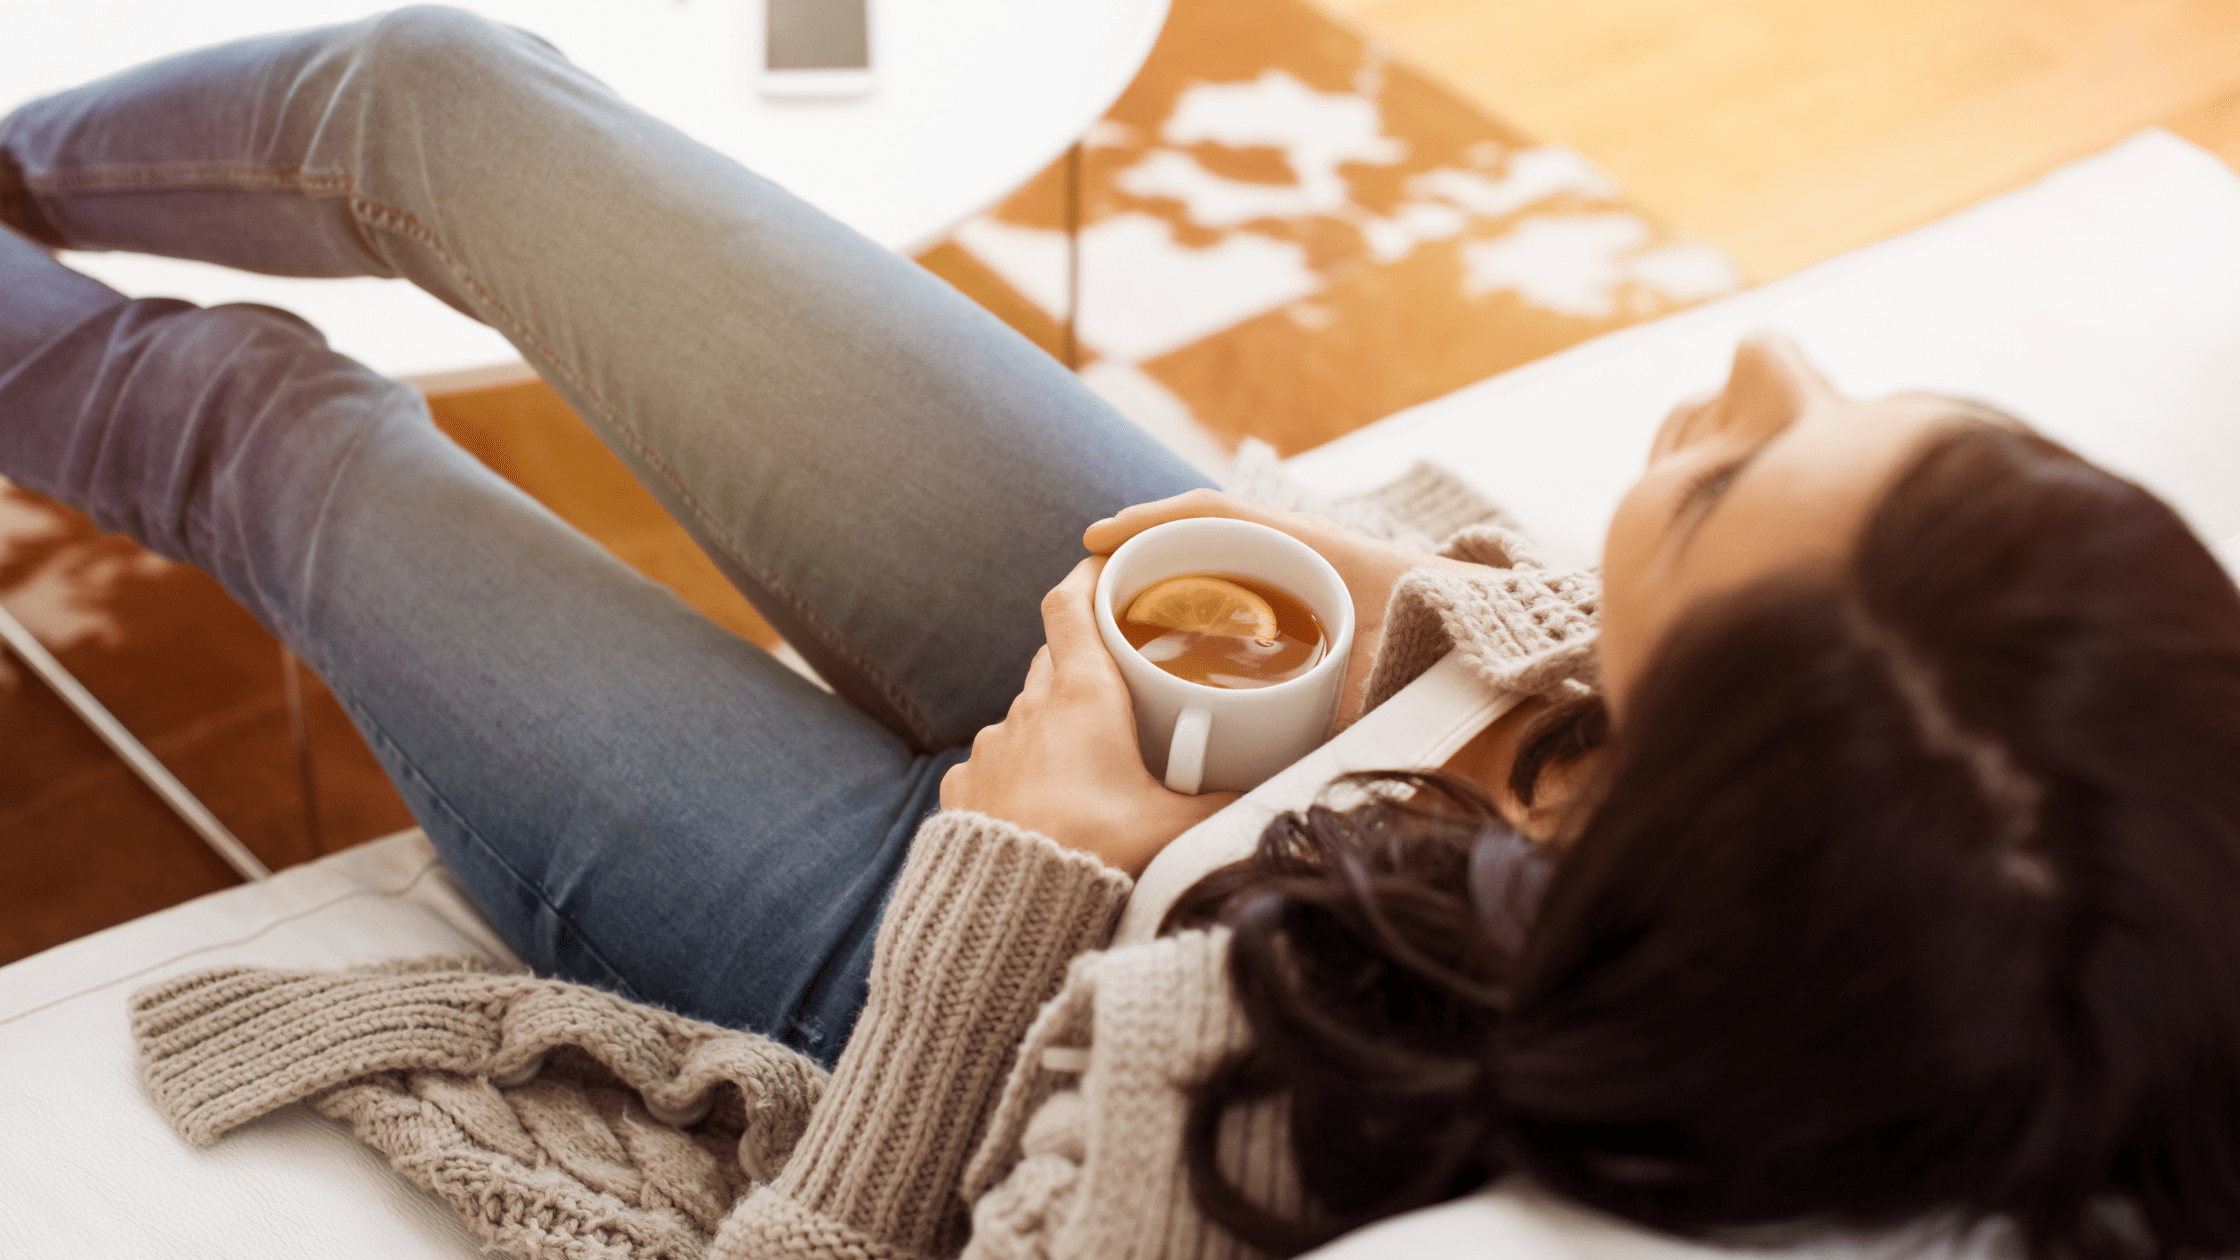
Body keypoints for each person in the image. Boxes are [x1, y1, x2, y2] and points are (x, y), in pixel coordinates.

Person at [7, 9, 2239, 1260]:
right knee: (435, 93)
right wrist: (1431, 644)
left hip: (946, 961)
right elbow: (1596, 679)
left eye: (1744, 485)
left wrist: (1018, 869)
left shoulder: (1273, 1164)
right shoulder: (2024, 865)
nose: (1753, 375)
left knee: (257, 424)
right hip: (1297, 735)